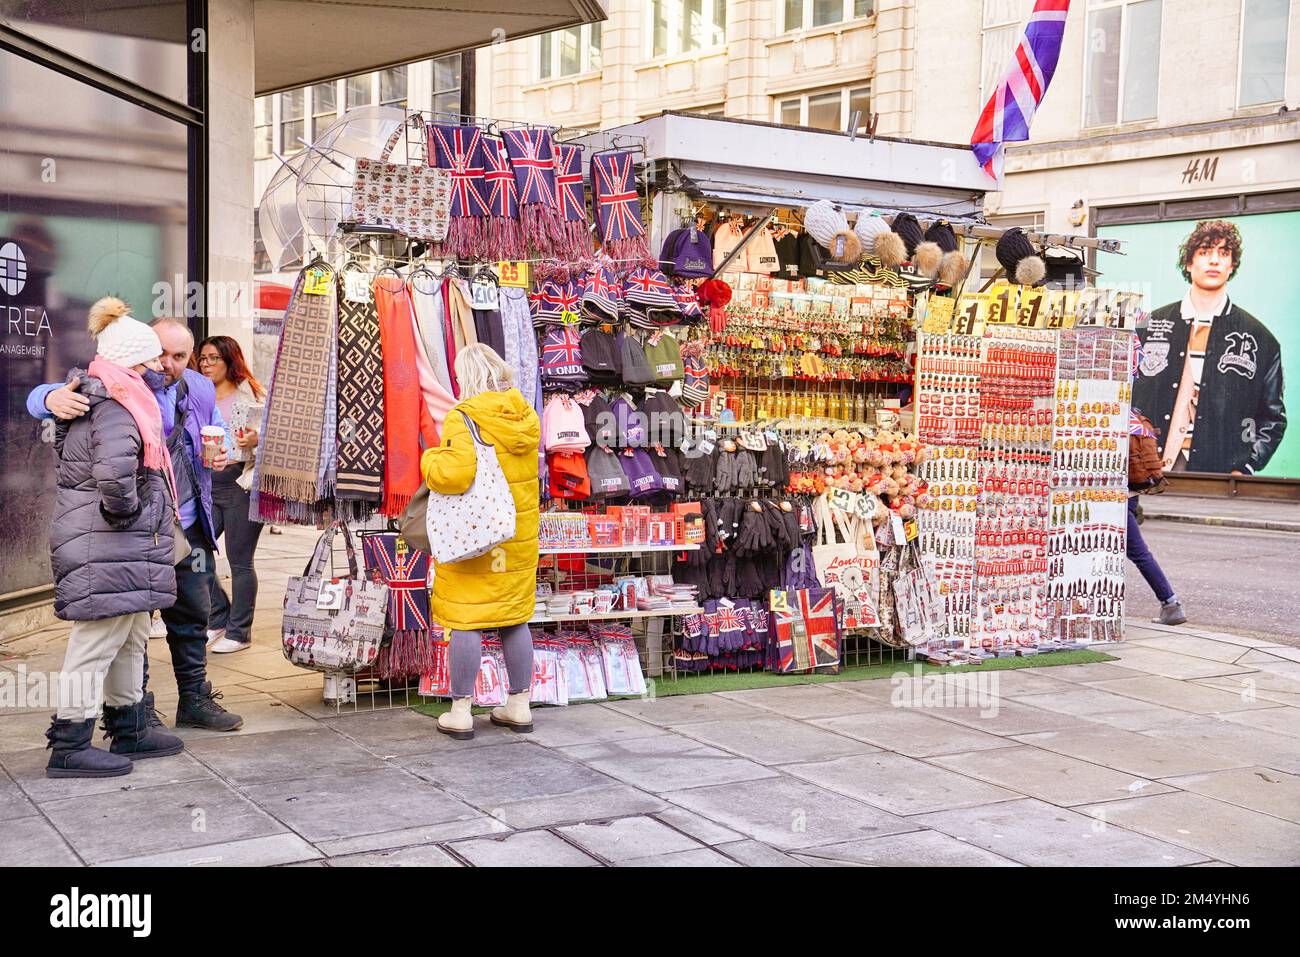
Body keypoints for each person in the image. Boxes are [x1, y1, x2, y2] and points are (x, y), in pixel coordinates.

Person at [29, 317, 244, 732]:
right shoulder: (120, 384)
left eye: (180, 356)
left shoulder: (197, 388)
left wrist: (223, 453)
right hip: (137, 530)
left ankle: (194, 700)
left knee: (193, 614)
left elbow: (220, 434)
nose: (167, 363)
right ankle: (135, 711)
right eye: (160, 353)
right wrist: (52, 397)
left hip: (187, 521)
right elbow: (53, 393)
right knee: (132, 620)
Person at [44, 298, 186, 778]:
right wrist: (130, 516)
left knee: (130, 633)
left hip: (114, 541)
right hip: (107, 538)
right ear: (130, 361)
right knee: (96, 639)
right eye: (150, 360)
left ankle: (130, 727)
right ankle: (69, 742)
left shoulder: (117, 396)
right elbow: (114, 477)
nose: (157, 368)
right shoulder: (117, 405)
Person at [420, 344, 541, 740]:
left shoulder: (463, 417)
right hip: (515, 536)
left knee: (467, 619)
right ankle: (519, 706)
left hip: (476, 536)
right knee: (513, 617)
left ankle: (460, 712)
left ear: (467, 377)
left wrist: (430, 459)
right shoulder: (524, 413)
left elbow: (454, 475)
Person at [1133, 220, 1286, 475]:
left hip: (1220, 474)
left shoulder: (1260, 338)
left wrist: (1247, 465)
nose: (1214, 261)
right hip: (1150, 469)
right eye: (1205, 252)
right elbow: (1124, 397)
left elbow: (1273, 418)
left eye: (1223, 253)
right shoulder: (1147, 325)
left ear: (1231, 265)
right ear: (1189, 263)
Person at [197, 335, 266, 654]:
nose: (206, 364)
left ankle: (239, 631)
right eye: (203, 358)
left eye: (214, 358)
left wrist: (257, 440)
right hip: (206, 482)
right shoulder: (197, 393)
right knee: (193, 553)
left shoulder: (249, 393)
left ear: (229, 361)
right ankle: (217, 616)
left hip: (240, 482)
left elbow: (274, 434)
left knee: (239, 561)